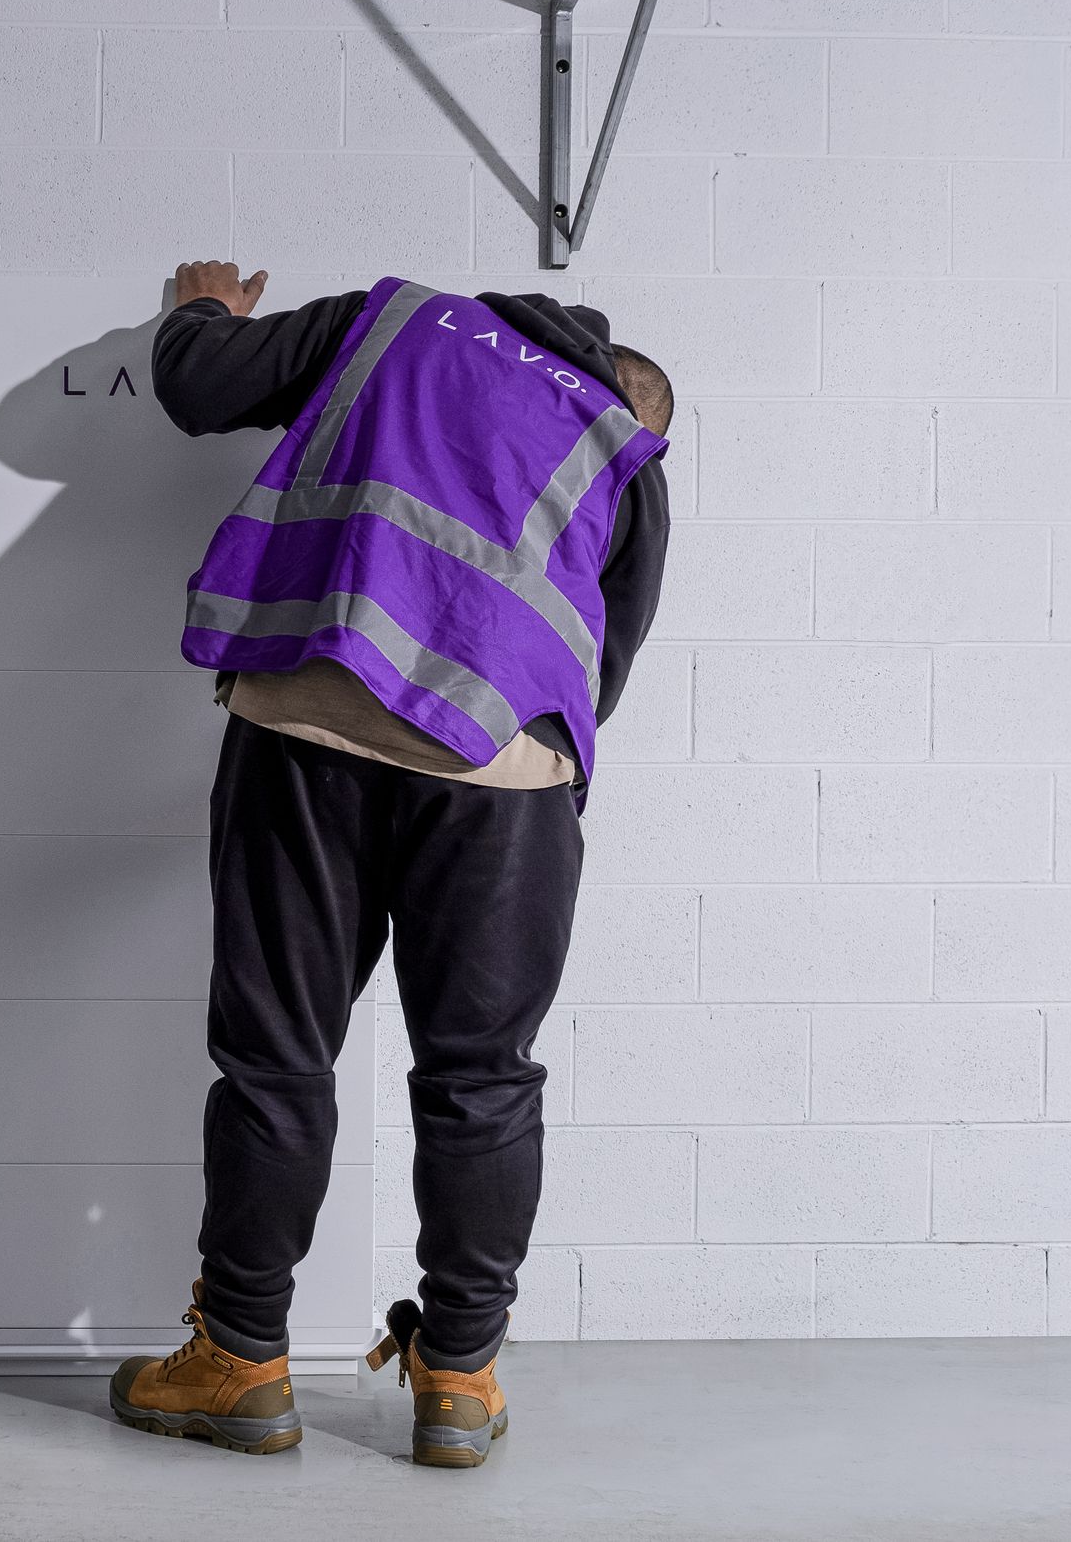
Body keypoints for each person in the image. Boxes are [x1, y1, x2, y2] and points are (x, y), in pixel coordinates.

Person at [107, 261, 675, 1469]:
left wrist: (200, 310)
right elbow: (601, 664)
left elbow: (199, 387)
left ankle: (241, 1361)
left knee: (277, 1052)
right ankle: (459, 1379)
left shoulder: (400, 321)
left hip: (310, 719)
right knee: (481, 1074)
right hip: (502, 773)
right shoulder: (624, 441)